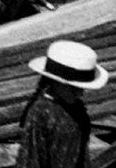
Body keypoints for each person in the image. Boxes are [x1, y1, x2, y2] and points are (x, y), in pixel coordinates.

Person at [16, 40, 109, 168]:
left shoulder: (76, 108)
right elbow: (32, 160)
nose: (79, 93)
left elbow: (81, 153)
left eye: (81, 88)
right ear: (55, 82)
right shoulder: (41, 113)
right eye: (73, 88)